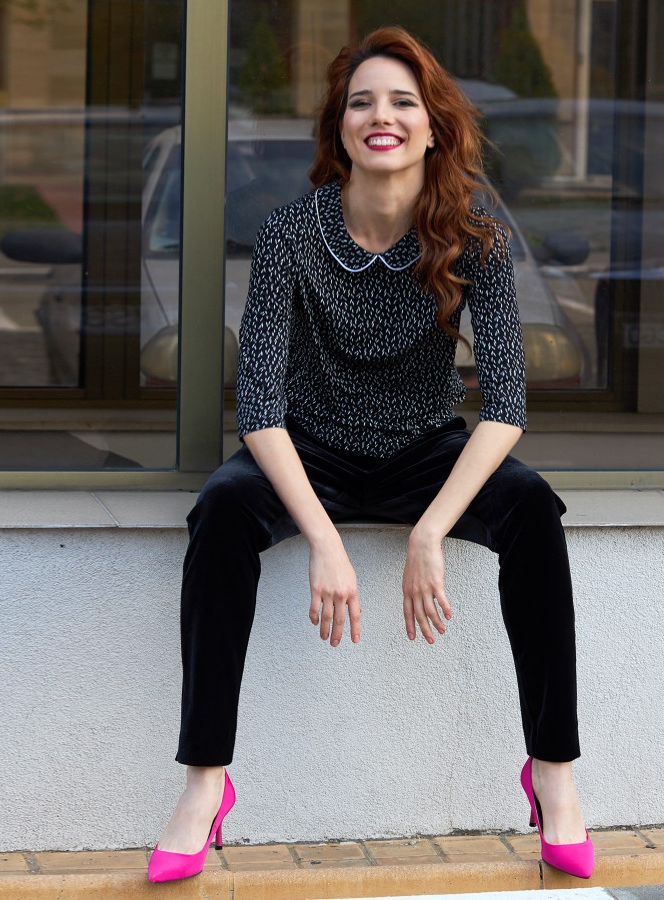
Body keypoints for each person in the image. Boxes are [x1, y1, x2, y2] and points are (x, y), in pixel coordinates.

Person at [148, 25, 594, 884]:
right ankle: (206, 785)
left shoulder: (477, 239)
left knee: (534, 507)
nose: (379, 116)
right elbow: (262, 409)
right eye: (361, 102)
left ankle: (555, 778)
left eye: (401, 101)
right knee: (223, 508)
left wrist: (430, 533)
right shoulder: (288, 236)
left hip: (428, 451)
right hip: (307, 448)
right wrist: (323, 537)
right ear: (341, 127)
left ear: (433, 126)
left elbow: (505, 406)